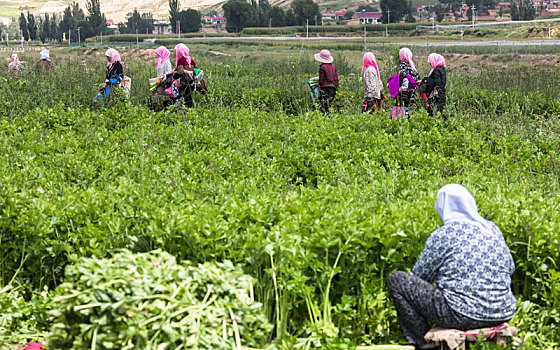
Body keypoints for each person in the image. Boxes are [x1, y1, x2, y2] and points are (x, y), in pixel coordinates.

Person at [387, 184, 517, 350]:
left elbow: (419, 276)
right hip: (502, 312)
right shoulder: (492, 229)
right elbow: (510, 268)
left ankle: (424, 342)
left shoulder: (444, 234)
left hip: (460, 314)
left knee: (398, 281)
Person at [314, 49, 338, 114]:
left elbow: (321, 81)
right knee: (328, 104)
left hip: (325, 89)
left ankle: (324, 116)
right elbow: (336, 78)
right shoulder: (333, 66)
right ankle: (328, 116)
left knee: (324, 105)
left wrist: (319, 84)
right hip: (333, 89)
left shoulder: (322, 68)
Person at [427, 53, 447, 120]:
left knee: (435, 112)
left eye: (430, 61)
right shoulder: (442, 69)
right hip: (442, 93)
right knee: (440, 111)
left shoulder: (436, 70)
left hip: (436, 94)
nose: (430, 63)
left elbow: (436, 83)